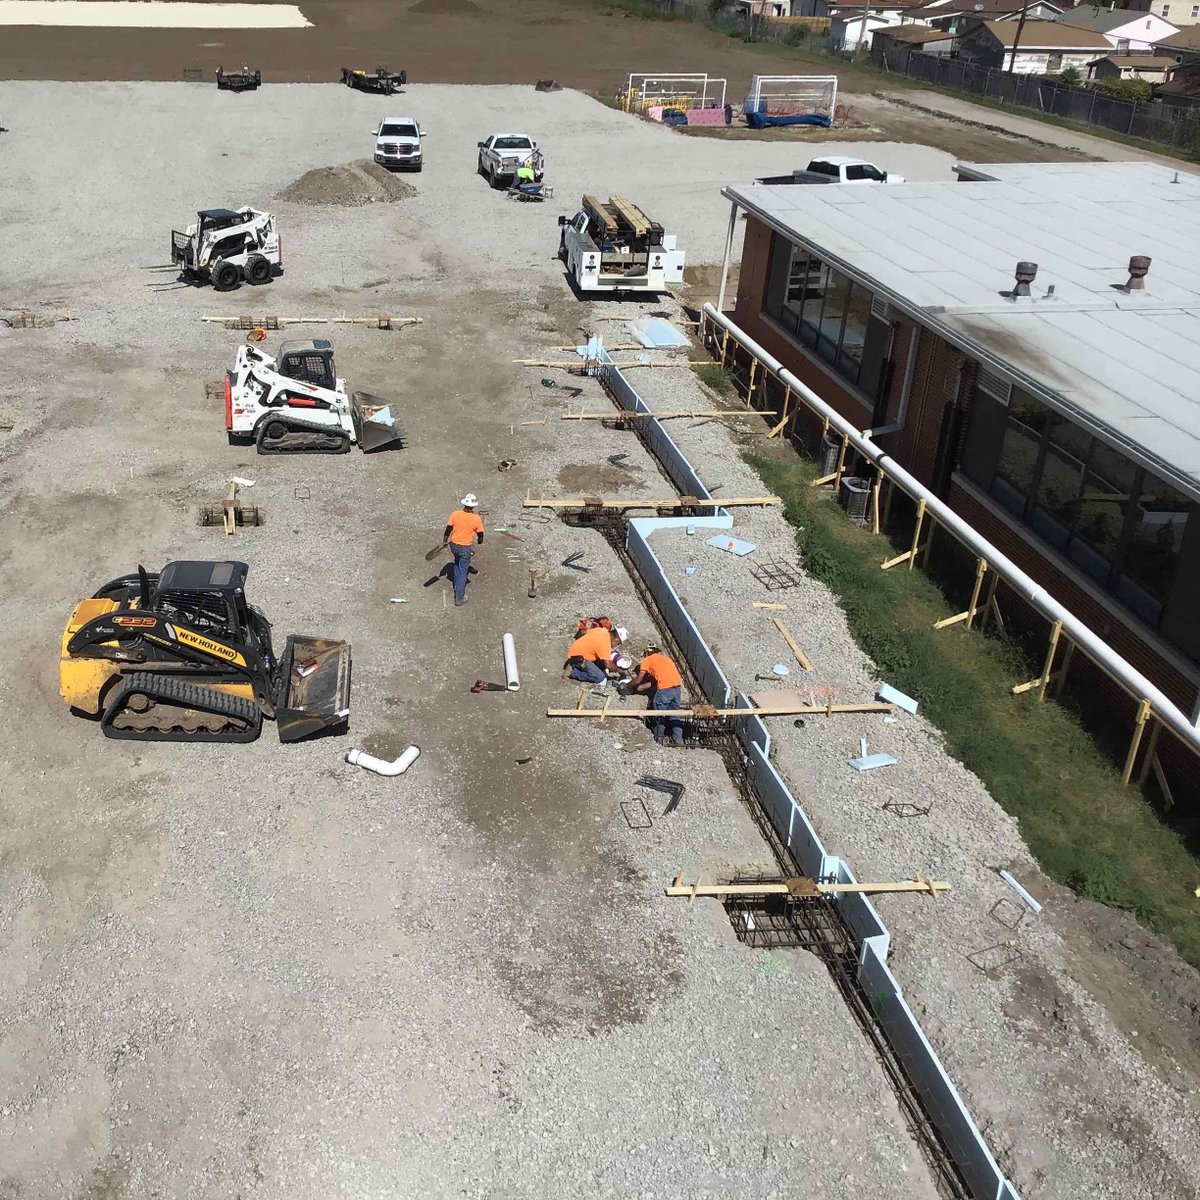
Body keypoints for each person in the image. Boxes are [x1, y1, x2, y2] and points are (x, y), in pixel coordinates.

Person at [631, 644, 684, 746]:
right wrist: (641, 687)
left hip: (664, 690)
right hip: (677, 688)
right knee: (674, 714)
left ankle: (658, 741)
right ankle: (678, 739)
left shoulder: (647, 660)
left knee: (660, 716)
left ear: (647, 652)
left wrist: (628, 685)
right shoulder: (666, 659)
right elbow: (657, 681)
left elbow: (638, 679)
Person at [442, 494, 484, 607]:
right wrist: (480, 541)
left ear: (464, 503)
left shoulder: (455, 514)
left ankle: (456, 584)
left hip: (454, 546)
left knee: (457, 563)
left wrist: (445, 541)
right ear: (473, 506)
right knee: (462, 572)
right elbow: (480, 535)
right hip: (465, 548)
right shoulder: (476, 519)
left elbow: (448, 529)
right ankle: (459, 598)